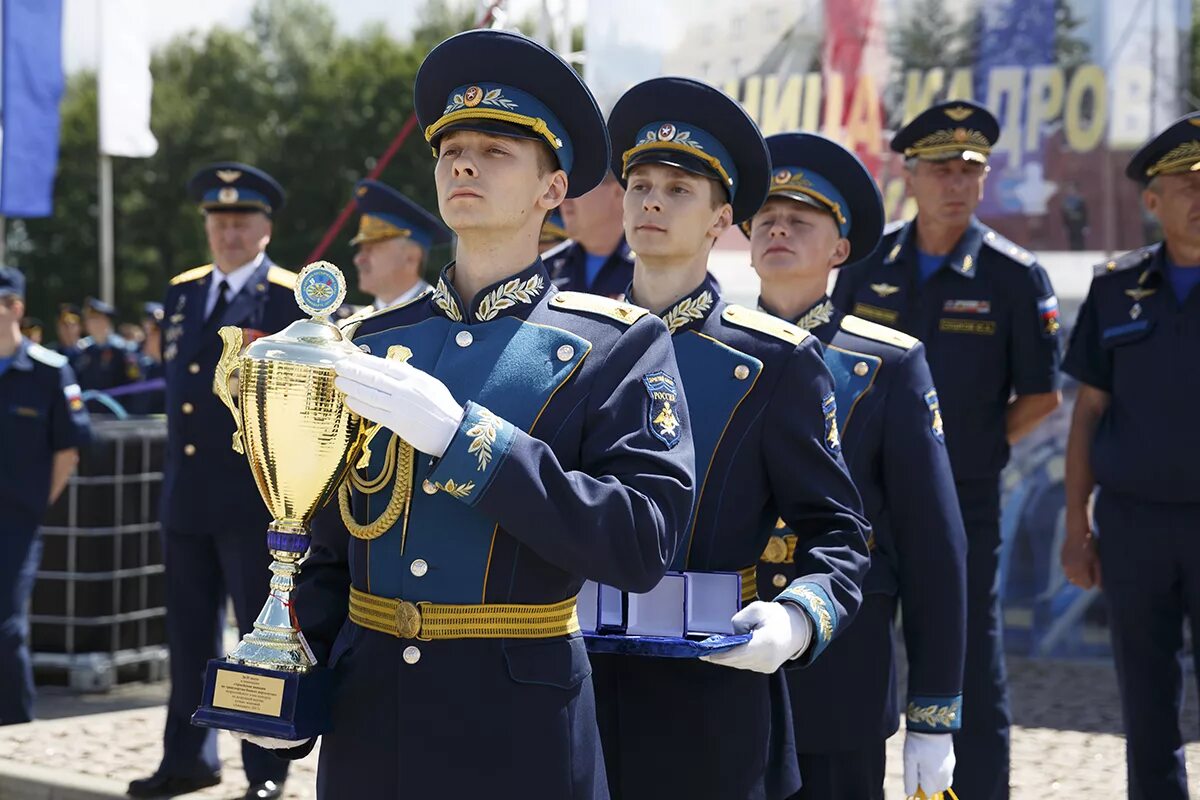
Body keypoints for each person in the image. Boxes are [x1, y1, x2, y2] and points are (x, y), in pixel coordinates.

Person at [242, 30, 696, 800]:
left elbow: (641, 540)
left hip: (518, 726)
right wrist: (283, 668)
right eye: (451, 146)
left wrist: (469, 442)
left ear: (553, 191)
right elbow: (325, 550)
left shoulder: (617, 343)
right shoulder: (366, 340)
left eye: (495, 149)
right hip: (371, 716)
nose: (463, 162)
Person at [590, 78, 870, 800]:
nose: (652, 200)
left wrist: (797, 618)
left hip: (707, 696)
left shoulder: (774, 362)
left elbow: (839, 535)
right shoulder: (570, 340)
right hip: (568, 682)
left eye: (679, 190)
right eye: (640, 184)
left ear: (722, 220)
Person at [832, 100, 1062, 800]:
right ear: (911, 175)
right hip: (864, 501)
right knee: (855, 655)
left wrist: (968, 452)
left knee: (966, 662)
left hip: (963, 499)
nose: (955, 182)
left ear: (985, 179)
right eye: (940, 168)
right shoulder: (868, 262)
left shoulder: (1014, 276)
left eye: (970, 170)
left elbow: (1042, 396)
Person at [749, 132, 967, 799]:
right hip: (722, 664)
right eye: (765, 218)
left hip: (840, 668)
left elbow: (935, 546)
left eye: (802, 220)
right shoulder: (706, 349)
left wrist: (933, 714)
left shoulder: (888, 366)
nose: (779, 228)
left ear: (840, 250)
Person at [127, 163, 302, 800]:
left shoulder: (287, 298)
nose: (228, 233)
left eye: (241, 220)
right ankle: (188, 758)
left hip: (254, 498)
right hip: (188, 495)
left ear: (265, 227)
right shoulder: (183, 292)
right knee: (190, 636)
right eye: (218, 221)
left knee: (261, 640)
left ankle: (264, 770)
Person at [1061, 111, 1200, 800]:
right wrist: (1074, 526)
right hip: (1134, 526)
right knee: (1145, 699)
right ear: (1154, 201)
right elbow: (1087, 413)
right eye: (1187, 184)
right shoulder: (1117, 289)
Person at [0, 265, 90, 724]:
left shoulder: (47, 371)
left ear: (15, 308)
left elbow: (68, 449)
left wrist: (35, 503)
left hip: (15, 517)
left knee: (6, 624)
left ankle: (14, 727)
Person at [350, 179, 451, 311]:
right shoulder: (353, 324)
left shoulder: (441, 316)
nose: (358, 259)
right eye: (361, 250)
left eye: (371, 249)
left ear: (411, 257)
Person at [543, 170, 634, 297]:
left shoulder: (649, 267)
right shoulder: (545, 270)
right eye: (564, 188)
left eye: (578, 188)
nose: (564, 199)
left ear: (617, 192)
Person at [74, 298, 139, 407]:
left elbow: (132, 384)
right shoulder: (84, 350)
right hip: (89, 412)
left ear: (105, 322)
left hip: (116, 413)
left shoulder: (122, 350)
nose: (90, 324)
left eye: (95, 319)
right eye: (89, 319)